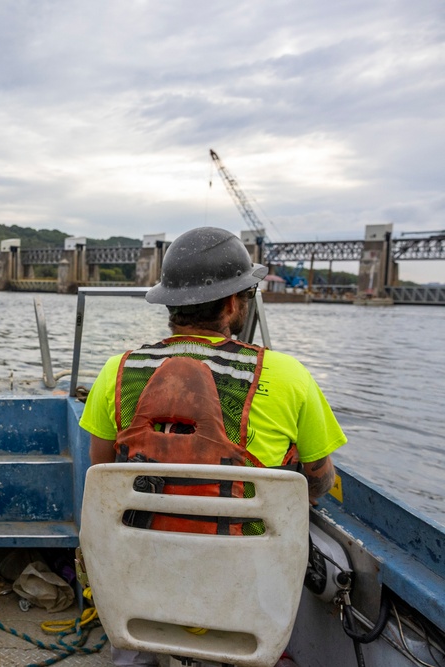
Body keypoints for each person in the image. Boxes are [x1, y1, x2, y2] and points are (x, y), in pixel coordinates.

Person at [78, 226, 346, 666]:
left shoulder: (116, 372)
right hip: (243, 588)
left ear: (169, 304)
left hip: (142, 573)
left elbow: (102, 477)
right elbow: (318, 484)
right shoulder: (289, 376)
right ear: (232, 302)